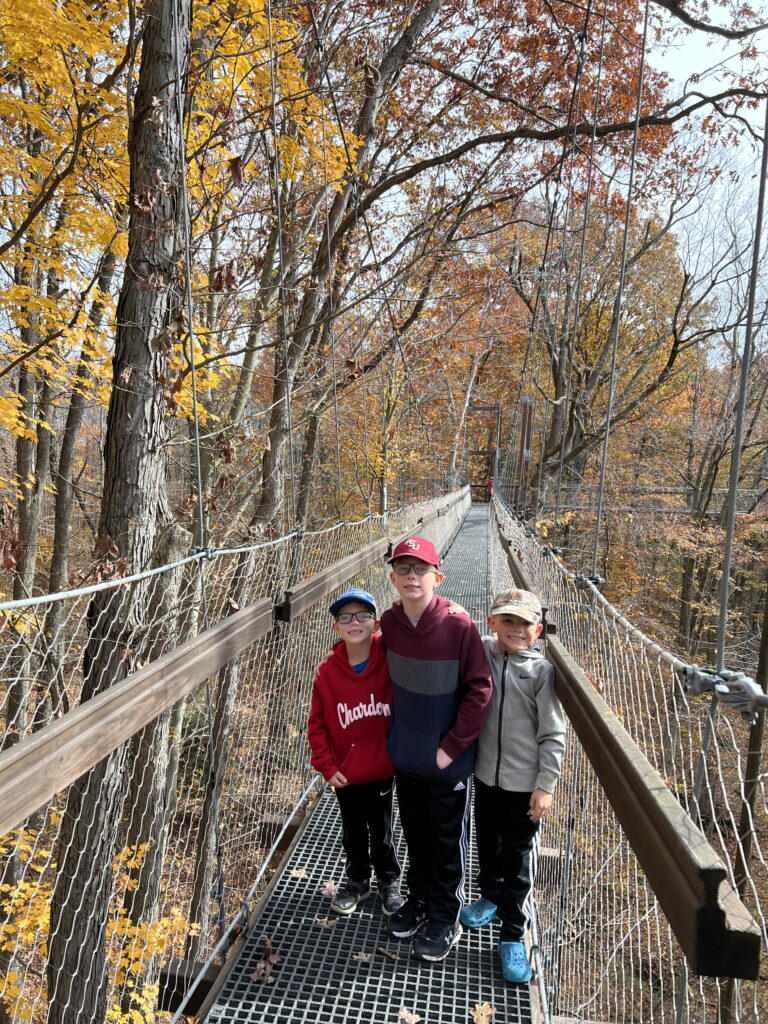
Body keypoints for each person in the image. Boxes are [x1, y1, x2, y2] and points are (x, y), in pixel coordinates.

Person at [380, 536, 492, 962]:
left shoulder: (459, 626)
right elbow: (363, 653)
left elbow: (481, 690)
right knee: (416, 835)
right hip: (407, 755)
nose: (412, 576)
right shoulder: (389, 623)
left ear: (438, 578)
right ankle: (420, 899)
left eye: (420, 569)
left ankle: (446, 915)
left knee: (447, 842)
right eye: (404, 569)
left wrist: (451, 747)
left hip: (447, 762)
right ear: (393, 578)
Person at [460, 588, 566, 984]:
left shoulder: (541, 674)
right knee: (487, 842)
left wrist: (546, 785)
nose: (516, 629)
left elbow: (553, 734)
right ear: (492, 623)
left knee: (518, 862)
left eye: (524, 623)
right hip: (485, 776)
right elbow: (457, 627)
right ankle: (489, 897)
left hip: (524, 786)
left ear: (537, 630)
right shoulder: (483, 650)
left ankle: (512, 935)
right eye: (507, 621)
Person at [307, 588, 404, 917]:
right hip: (346, 772)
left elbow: (413, 628)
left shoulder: (391, 658)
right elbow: (317, 724)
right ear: (336, 628)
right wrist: (325, 764)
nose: (354, 622)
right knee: (352, 828)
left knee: (382, 828)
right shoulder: (327, 674)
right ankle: (358, 880)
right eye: (345, 617)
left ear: (375, 624)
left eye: (363, 615)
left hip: (382, 767)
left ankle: (389, 881)